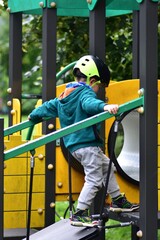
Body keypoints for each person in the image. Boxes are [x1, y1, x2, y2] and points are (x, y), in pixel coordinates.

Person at [28, 55, 139, 224]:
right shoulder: (85, 92)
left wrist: (33, 116)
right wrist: (104, 106)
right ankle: (80, 212)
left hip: (74, 147)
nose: (97, 90)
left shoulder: (64, 96)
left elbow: (47, 107)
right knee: (94, 179)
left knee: (106, 166)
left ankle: (117, 200)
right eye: (99, 86)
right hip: (87, 146)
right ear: (92, 79)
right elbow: (89, 103)